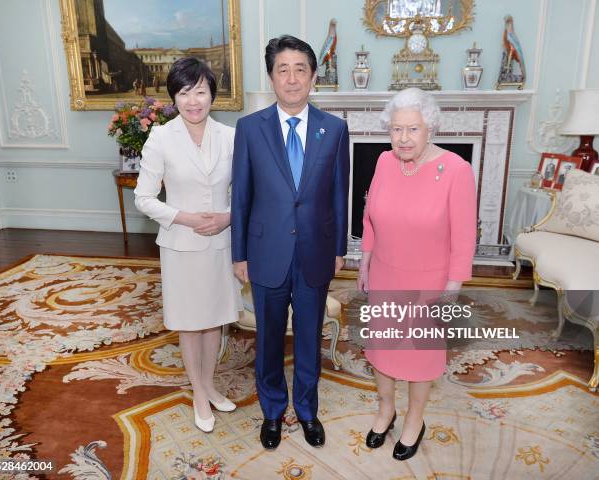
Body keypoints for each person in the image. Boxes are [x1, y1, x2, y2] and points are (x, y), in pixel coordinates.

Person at [231, 35, 349, 450]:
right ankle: (272, 412)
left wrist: (339, 250)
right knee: (267, 340)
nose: (292, 78)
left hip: (316, 252)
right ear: (272, 77)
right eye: (283, 69)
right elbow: (241, 196)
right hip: (266, 253)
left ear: (313, 77)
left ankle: (307, 410)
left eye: (301, 69)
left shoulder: (334, 129)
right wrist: (239, 253)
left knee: (308, 338)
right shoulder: (249, 129)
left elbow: (339, 193)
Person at [357, 88, 476, 461]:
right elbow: (370, 216)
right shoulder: (383, 162)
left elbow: (464, 236)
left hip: (430, 282)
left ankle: (414, 419)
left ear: (430, 129)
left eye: (412, 129)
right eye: (396, 130)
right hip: (384, 274)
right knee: (381, 347)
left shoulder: (457, 170)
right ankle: (385, 409)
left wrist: (453, 287)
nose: (403, 138)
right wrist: (365, 260)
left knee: (420, 356)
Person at [134, 57, 240, 434]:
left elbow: (245, 193)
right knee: (190, 323)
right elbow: (144, 198)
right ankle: (198, 391)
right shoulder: (161, 137)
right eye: (184, 92)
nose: (193, 100)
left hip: (220, 243)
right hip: (180, 243)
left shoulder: (229, 136)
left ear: (213, 93)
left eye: (200, 91)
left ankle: (209, 382)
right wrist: (186, 217)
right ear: (173, 98)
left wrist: (226, 217)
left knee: (213, 320)